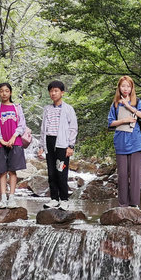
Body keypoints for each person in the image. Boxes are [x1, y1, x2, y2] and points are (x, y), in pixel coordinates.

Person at [108, 75, 141, 208]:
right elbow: (111, 122)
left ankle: (134, 204)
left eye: (128, 86)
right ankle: (123, 204)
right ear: (119, 87)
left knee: (136, 175)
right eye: (123, 86)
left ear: (132, 88)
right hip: (120, 141)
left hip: (136, 142)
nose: (125, 88)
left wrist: (128, 106)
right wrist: (124, 120)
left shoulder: (137, 102)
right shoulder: (115, 104)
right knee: (122, 175)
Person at [38, 80, 78, 210]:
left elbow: (73, 128)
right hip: (49, 142)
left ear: (62, 93)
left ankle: (64, 199)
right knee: (51, 172)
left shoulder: (68, 109)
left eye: (56, 91)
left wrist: (71, 146)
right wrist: (41, 146)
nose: (53, 93)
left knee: (61, 171)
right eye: (51, 91)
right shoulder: (47, 109)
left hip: (62, 143)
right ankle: (54, 198)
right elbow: (43, 128)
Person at [0, 82, 27, 209]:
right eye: (1, 91)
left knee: (12, 170)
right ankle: (3, 198)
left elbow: (22, 124)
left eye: (6, 91)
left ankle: (12, 197)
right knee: (2, 171)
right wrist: (1, 140)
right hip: (0, 143)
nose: (4, 93)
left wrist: (13, 137)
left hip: (15, 142)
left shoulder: (17, 107)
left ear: (10, 92)